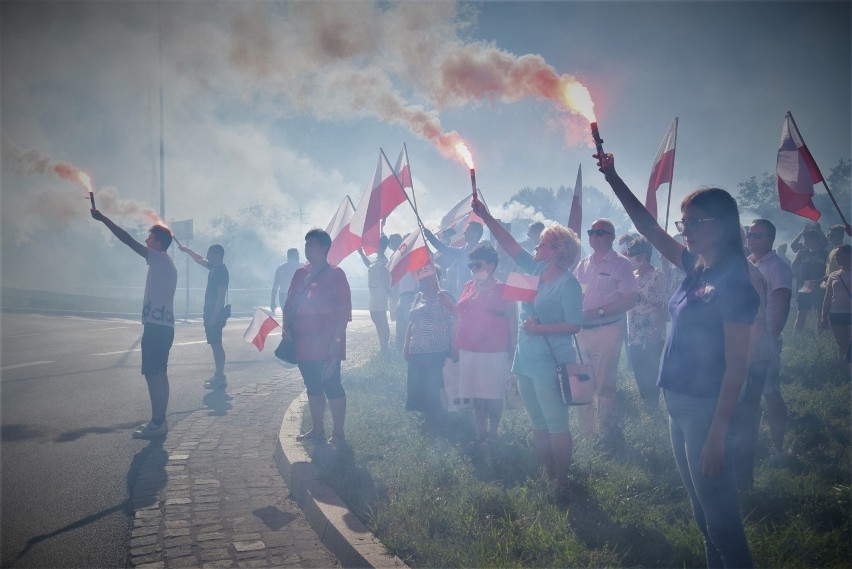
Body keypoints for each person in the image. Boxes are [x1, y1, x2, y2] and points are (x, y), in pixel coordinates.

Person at [599, 151, 757, 568]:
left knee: (723, 524)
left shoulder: (735, 283)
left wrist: (718, 435)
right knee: (703, 519)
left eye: (693, 222)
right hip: (679, 405)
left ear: (720, 226)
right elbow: (649, 229)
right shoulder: (696, 268)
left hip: (708, 411)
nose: (683, 230)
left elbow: (737, 366)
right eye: (682, 222)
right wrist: (613, 178)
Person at [471, 198, 583, 495]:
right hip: (526, 359)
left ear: (558, 251)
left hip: (552, 362)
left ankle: (562, 483)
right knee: (537, 421)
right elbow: (510, 245)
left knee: (556, 422)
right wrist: (487, 216)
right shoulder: (532, 271)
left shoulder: (568, 283)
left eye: (543, 244)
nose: (536, 247)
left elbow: (574, 324)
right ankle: (546, 476)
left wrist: (540, 328)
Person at [91, 209, 177, 439]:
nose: (146, 241)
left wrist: (104, 219)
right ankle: (160, 421)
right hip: (162, 326)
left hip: (157, 327)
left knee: (154, 374)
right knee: (158, 373)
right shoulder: (164, 262)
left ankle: (158, 422)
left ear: (158, 243)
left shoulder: (159, 259)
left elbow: (127, 241)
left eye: (149, 238)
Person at [286, 228, 352, 446]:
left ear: (324, 249)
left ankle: (339, 433)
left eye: (312, 245)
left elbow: (343, 313)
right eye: (306, 245)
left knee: (332, 384)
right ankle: (317, 430)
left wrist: (335, 344)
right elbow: (290, 304)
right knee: (312, 385)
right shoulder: (299, 274)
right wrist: (287, 329)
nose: (307, 249)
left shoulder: (336, 274)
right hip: (303, 343)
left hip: (327, 343)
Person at [573, 218, 636, 440]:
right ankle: (588, 435)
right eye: (591, 232)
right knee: (583, 385)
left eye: (600, 232)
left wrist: (598, 312)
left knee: (604, 385)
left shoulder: (621, 264)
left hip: (607, 330)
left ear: (611, 237)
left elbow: (629, 299)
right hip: (582, 332)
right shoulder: (584, 264)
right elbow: (577, 294)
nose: (594, 236)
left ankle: (607, 435)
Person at [451, 243, 517, 445]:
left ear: (491, 265)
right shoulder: (467, 287)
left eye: (477, 265)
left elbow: (512, 321)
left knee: (493, 394)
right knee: (476, 393)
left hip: (495, 349)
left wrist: (513, 350)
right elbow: (461, 315)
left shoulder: (504, 289)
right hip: (469, 347)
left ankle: (494, 434)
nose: (473, 269)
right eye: (471, 266)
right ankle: (481, 432)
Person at [746, 219, 793, 462]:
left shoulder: (777, 266)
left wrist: (772, 339)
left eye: (757, 235)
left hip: (766, 341)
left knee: (771, 392)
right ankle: (749, 444)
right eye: (749, 235)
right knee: (749, 394)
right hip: (746, 340)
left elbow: (782, 304)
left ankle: (777, 447)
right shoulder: (749, 263)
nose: (751, 239)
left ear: (770, 238)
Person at [403, 267, 455, 432]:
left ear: (435, 279)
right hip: (417, 351)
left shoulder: (444, 296)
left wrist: (455, 348)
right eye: (420, 278)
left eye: (424, 278)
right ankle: (428, 419)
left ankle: (442, 421)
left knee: (437, 387)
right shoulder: (417, 297)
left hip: (438, 351)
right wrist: (406, 347)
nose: (421, 282)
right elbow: (411, 324)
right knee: (421, 387)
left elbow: (454, 322)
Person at [178, 243, 230, 388]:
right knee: (214, 344)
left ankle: (220, 377)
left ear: (217, 255)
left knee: (217, 344)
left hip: (215, 313)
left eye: (210, 254)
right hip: (210, 312)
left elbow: (221, 297)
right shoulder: (214, 267)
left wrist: (214, 316)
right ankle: (218, 375)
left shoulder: (222, 271)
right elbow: (199, 259)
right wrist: (187, 249)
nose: (207, 256)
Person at [625, 237, 667, 410]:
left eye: (631, 254)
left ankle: (653, 405)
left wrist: (657, 329)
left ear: (642, 255)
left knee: (651, 368)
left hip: (652, 330)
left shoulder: (658, 275)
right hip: (633, 331)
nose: (628, 258)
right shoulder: (631, 277)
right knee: (637, 367)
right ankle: (646, 404)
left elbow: (663, 304)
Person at [424, 221, 484, 297]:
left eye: (468, 230)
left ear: (476, 233)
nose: (464, 232)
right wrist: (429, 236)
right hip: (463, 295)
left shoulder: (483, 253)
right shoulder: (461, 251)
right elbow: (443, 248)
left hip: (479, 295)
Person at [358, 236, 391, 353]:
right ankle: (383, 344)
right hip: (373, 293)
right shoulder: (376, 260)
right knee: (375, 317)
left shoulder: (384, 261)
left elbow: (385, 276)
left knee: (381, 318)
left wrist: (387, 289)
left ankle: (385, 346)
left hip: (380, 292)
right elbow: (370, 266)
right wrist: (362, 254)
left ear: (381, 246)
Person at [791, 229, 828, 332]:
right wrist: (800, 277)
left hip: (820, 286)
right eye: (805, 239)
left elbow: (829, 271)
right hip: (805, 285)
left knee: (820, 314)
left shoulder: (825, 254)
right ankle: (796, 340)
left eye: (807, 239)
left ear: (815, 240)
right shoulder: (801, 253)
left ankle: (819, 342)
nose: (805, 242)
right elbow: (793, 266)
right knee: (801, 315)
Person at [820, 244, 851, 363]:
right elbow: (827, 297)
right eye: (836, 255)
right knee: (842, 344)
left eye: (839, 255)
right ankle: (842, 370)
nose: (836, 258)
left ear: (849, 255)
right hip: (836, 314)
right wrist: (824, 316)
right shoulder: (833, 275)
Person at [271, 248, 301, 315]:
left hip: (283, 295)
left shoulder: (280, 268)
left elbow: (275, 287)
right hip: (297, 295)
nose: (299, 257)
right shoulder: (301, 266)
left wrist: (272, 301)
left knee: (287, 316)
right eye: (298, 255)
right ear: (295, 255)